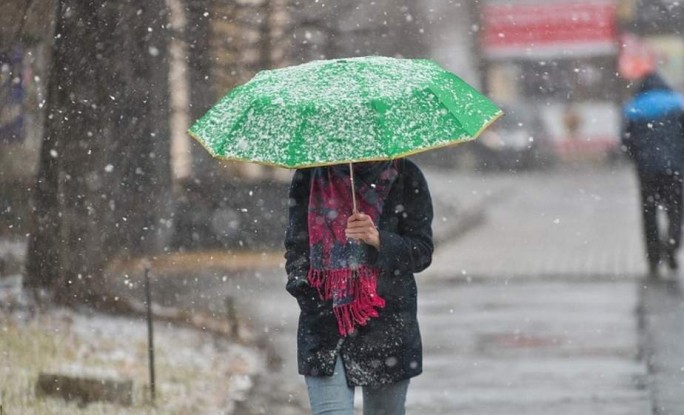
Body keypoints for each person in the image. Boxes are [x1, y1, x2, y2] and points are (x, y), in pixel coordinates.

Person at [284, 158, 433, 414]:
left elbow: (421, 252)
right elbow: (297, 248)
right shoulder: (310, 176)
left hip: (386, 323)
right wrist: (309, 294)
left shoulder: (406, 175)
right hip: (325, 324)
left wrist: (378, 239)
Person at [621, 70, 684, 276]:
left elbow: (626, 141)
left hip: (647, 172)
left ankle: (653, 259)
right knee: (676, 211)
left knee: (649, 215)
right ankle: (672, 245)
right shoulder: (678, 104)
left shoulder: (634, 108)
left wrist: (637, 159)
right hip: (675, 169)